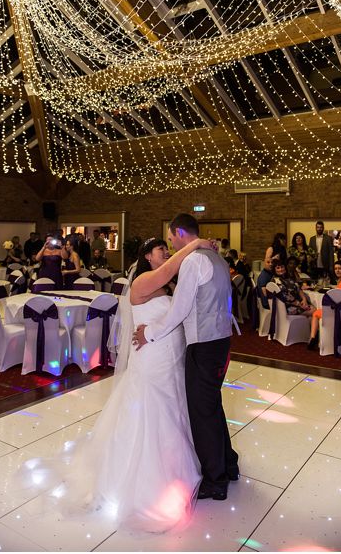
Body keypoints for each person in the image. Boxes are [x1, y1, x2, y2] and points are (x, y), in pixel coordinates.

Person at [36, 236, 214, 531]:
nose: (166, 252)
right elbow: (171, 268)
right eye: (160, 250)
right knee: (151, 410)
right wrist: (194, 245)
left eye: (166, 249)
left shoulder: (166, 284)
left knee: (174, 406)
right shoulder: (143, 281)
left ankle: (178, 465)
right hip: (151, 359)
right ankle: (141, 480)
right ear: (147, 256)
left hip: (171, 357)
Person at [133, 213, 239, 501]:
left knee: (202, 413)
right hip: (221, 340)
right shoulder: (218, 258)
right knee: (212, 406)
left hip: (204, 345)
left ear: (179, 232)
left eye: (170, 238)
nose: (171, 245)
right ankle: (228, 463)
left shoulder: (193, 261)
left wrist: (149, 333)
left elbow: (179, 310)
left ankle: (215, 480)